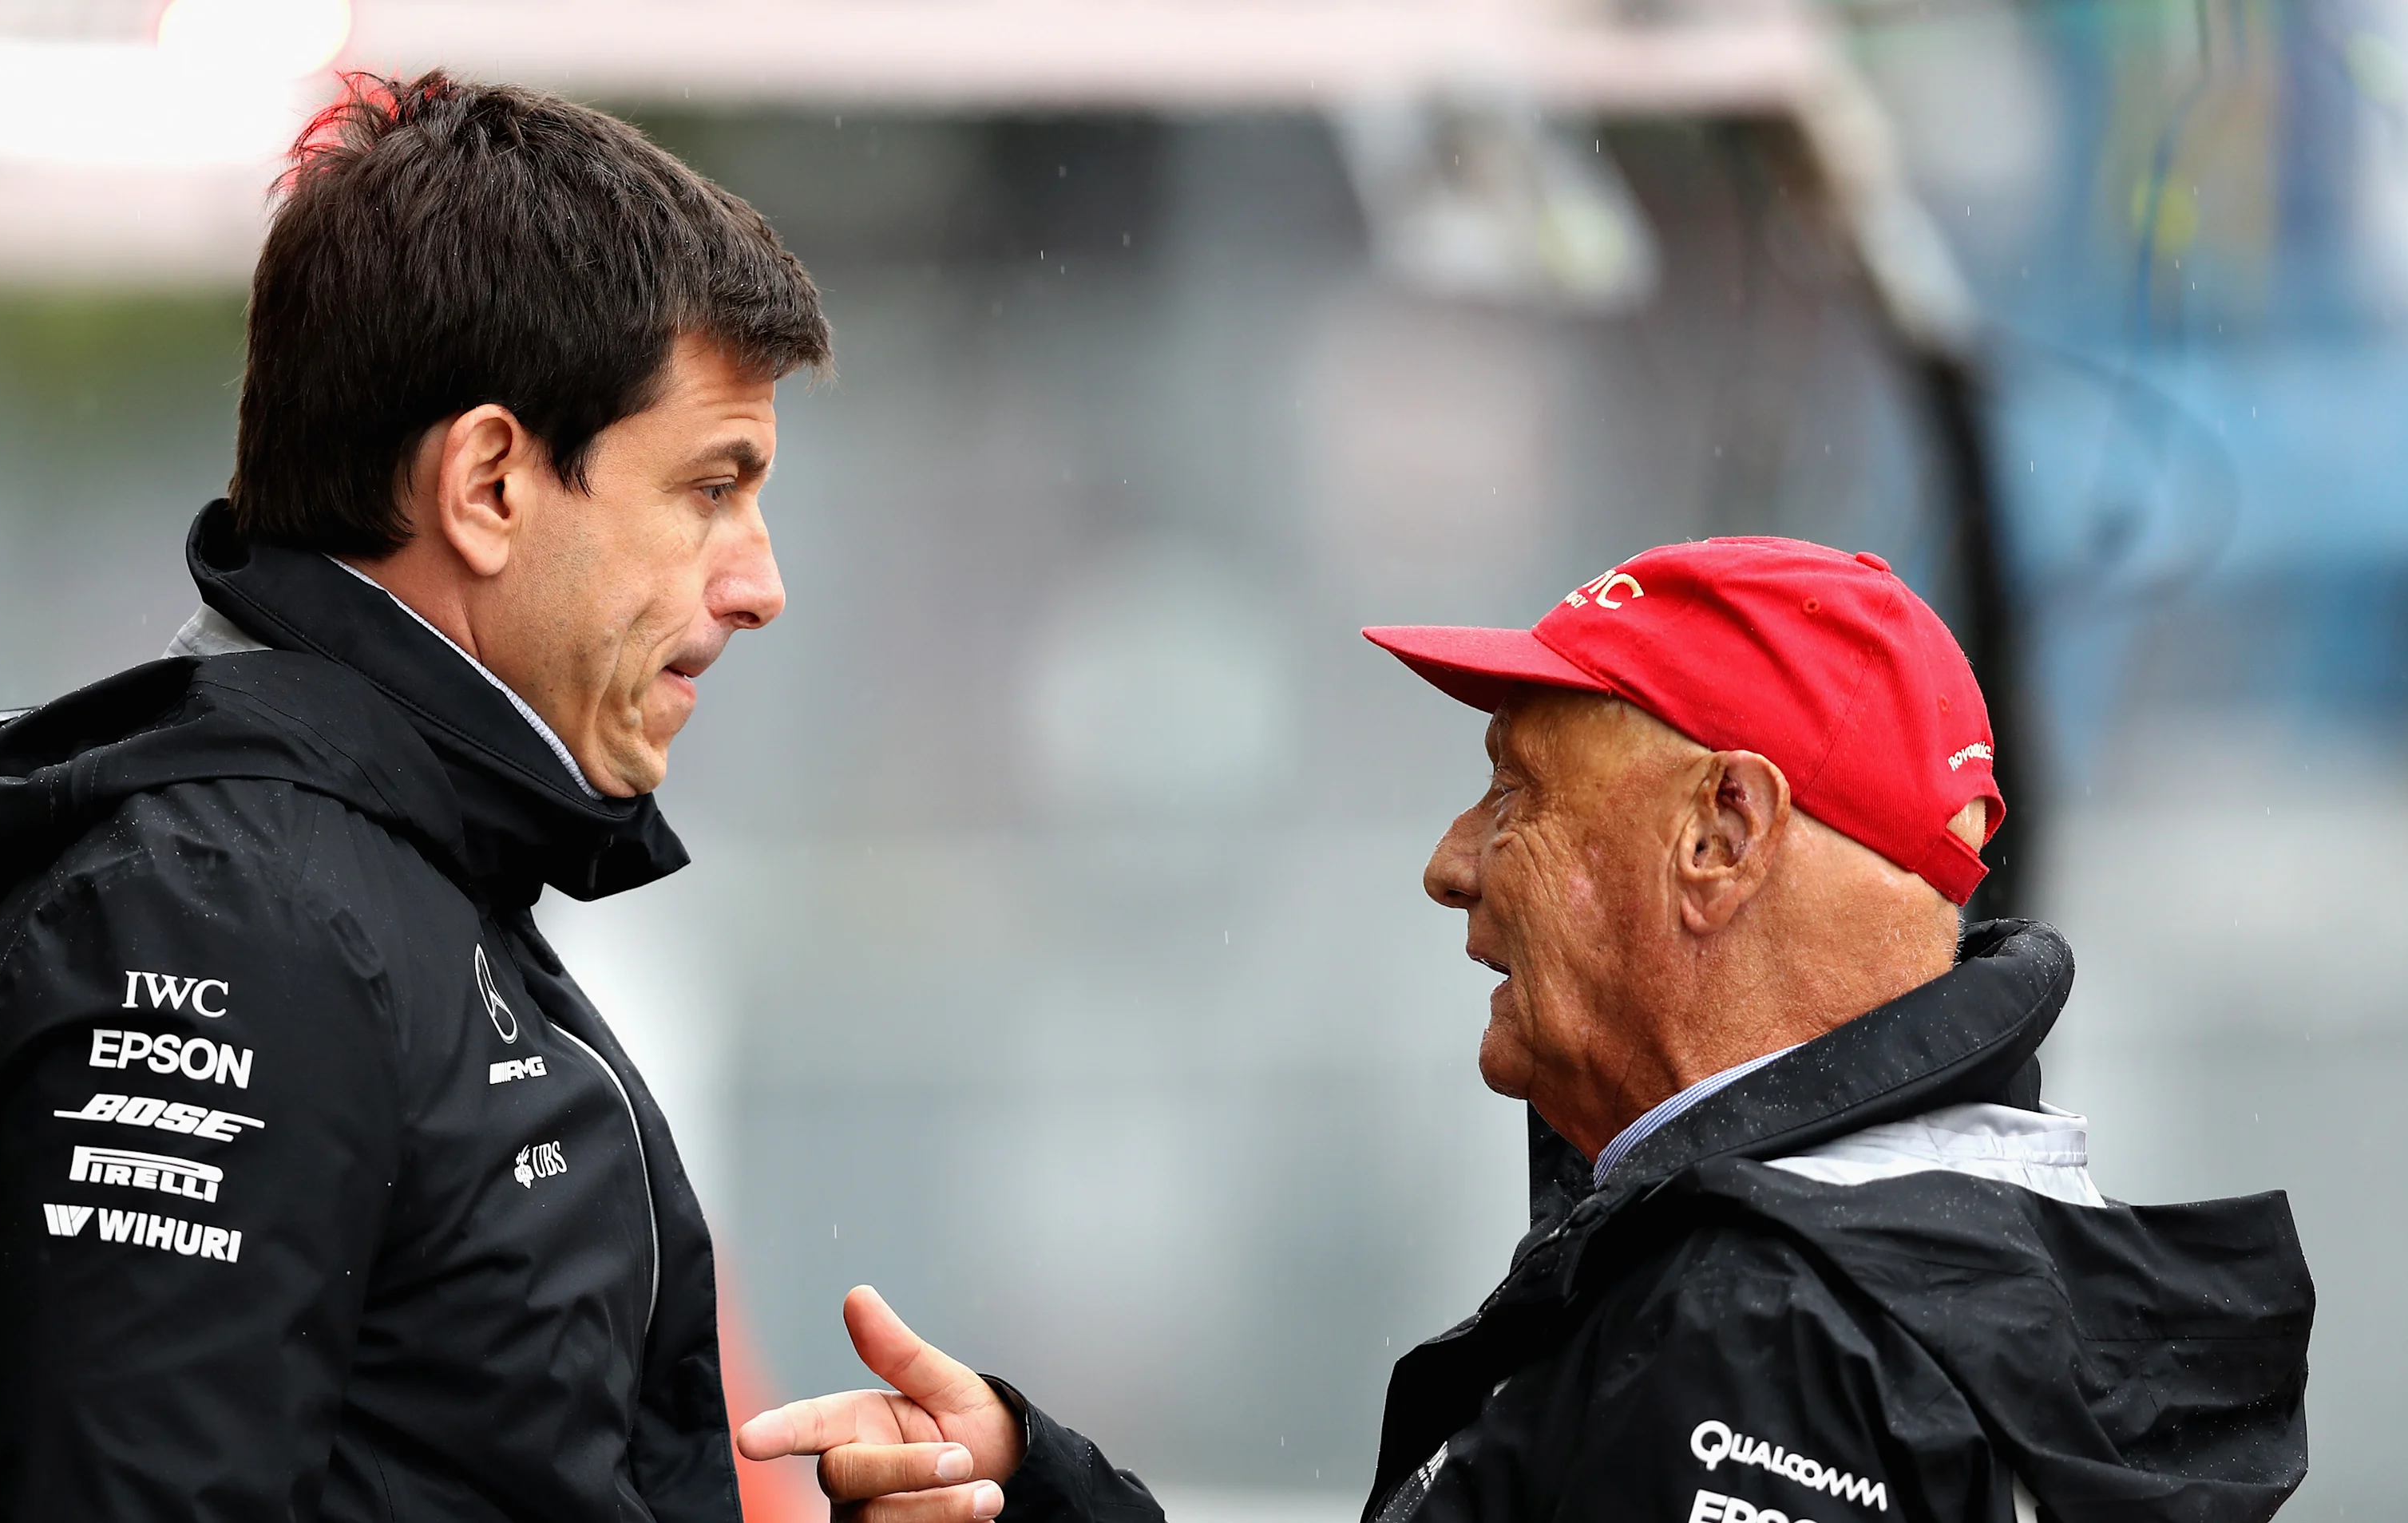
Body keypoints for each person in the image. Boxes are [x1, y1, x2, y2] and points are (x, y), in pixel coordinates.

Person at [734, 537, 2315, 1523]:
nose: (1450, 865)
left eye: (1517, 792)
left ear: (1721, 837)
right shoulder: (1933, 1271)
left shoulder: (1763, 1331)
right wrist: (1042, 1493)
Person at [0, 72, 827, 1520]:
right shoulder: (222, 913)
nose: (761, 585)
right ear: (489, 483)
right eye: (710, 486)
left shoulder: (379, 871)